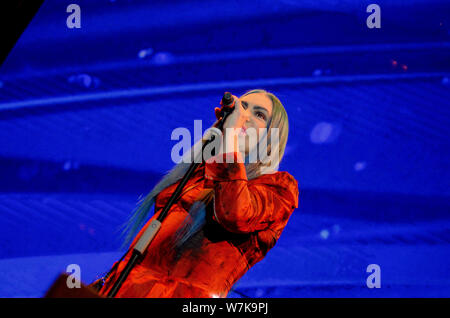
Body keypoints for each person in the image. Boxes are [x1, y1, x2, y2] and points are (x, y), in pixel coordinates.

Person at [91, 89, 299, 298]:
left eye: (260, 114)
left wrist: (230, 137)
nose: (245, 116)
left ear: (272, 140)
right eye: (242, 107)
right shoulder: (200, 174)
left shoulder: (279, 188)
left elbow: (234, 213)